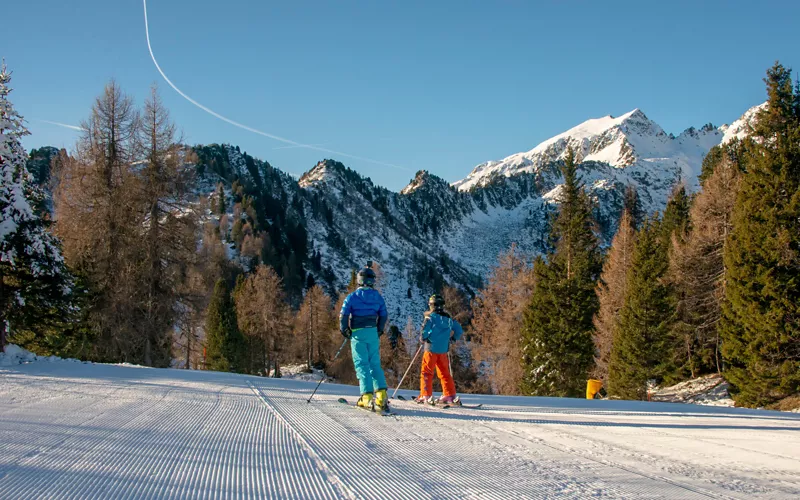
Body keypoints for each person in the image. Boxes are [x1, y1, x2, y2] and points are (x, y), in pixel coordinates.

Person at [339, 265, 390, 411]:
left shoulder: (352, 297)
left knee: (362, 364)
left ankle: (366, 398)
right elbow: (384, 314)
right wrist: (379, 330)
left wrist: (345, 330)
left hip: (357, 333)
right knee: (375, 363)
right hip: (372, 332)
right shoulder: (377, 296)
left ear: (359, 281)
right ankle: (381, 397)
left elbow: (343, 315)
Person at [416, 294, 464, 405]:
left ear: (431, 305)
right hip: (443, 351)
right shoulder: (448, 319)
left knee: (427, 373)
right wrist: (452, 339)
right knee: (445, 373)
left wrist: (423, 339)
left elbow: (424, 332)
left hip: (431, 349)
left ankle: (426, 395)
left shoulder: (430, 317)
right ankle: (450, 395)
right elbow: (459, 330)